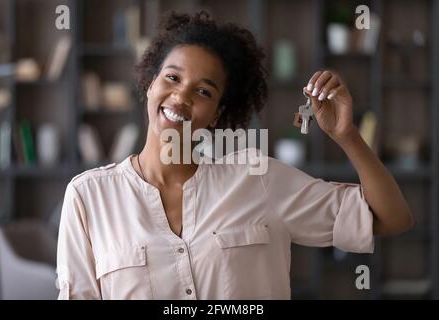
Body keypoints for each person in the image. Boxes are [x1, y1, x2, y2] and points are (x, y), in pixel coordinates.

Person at [56, 11, 413, 300]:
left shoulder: (260, 180)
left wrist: (347, 136)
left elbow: (392, 218)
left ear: (217, 114)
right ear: (151, 84)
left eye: (203, 91)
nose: (181, 97)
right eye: (172, 77)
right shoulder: (89, 198)